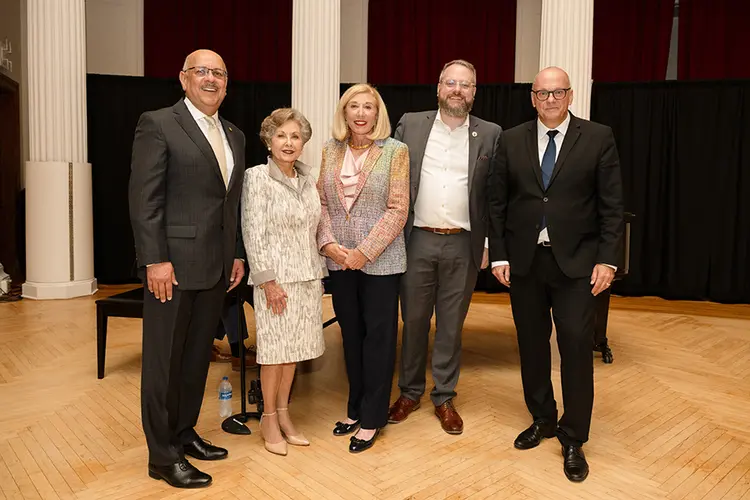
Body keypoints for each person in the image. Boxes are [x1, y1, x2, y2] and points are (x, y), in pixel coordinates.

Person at [488, 67, 624, 482]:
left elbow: (612, 205)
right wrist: (499, 255)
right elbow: (498, 202)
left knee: (576, 348)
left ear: (570, 95)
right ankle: (543, 418)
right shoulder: (510, 140)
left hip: (578, 265)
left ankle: (573, 437)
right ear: (532, 98)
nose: (550, 99)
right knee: (531, 345)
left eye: (558, 92)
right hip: (526, 263)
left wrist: (608, 260)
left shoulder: (598, 137)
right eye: (542, 93)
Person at [128, 49, 246, 488]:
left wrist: (234, 252)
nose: (211, 79)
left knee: (197, 359)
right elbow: (145, 200)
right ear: (183, 78)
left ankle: (183, 433)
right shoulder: (158, 124)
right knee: (164, 363)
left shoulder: (233, 134)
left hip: (215, 270)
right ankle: (161, 456)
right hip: (171, 270)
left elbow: (229, 205)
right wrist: (155, 259)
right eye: (202, 71)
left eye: (219, 72)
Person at [387, 60, 501, 435]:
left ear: (474, 92)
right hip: (416, 239)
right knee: (414, 320)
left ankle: (444, 396)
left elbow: (493, 195)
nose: (457, 90)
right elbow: (393, 178)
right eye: (450, 83)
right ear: (438, 88)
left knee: (451, 325)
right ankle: (409, 392)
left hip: (463, 244)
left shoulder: (490, 133)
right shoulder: (411, 124)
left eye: (465, 85)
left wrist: (487, 242)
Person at [317, 83, 409, 453]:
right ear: (344, 113)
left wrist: (364, 252)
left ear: (377, 113)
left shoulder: (395, 151)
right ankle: (355, 408)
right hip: (338, 261)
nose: (360, 113)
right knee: (351, 336)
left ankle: (372, 418)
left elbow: (398, 208)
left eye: (367, 107)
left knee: (379, 340)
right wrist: (329, 245)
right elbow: (319, 202)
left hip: (381, 262)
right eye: (353, 106)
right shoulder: (328, 149)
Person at [241, 108, 326, 457]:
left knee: (293, 355)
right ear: (269, 140)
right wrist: (267, 281)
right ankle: (268, 418)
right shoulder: (256, 178)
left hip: (307, 277)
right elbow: (253, 231)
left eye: (295, 137)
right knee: (274, 355)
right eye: (281, 136)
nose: (288, 142)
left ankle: (285, 415)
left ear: (303, 143)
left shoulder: (308, 181)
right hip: (275, 281)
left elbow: (314, 230)